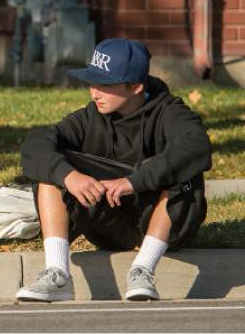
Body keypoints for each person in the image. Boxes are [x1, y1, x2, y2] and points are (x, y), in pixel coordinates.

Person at [16, 39, 212, 302]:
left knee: (186, 173)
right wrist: (70, 176)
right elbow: (36, 143)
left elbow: (197, 146)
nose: (94, 92)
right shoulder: (90, 117)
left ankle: (143, 270)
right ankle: (58, 274)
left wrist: (134, 181)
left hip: (162, 222)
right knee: (53, 170)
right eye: (91, 82)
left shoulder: (169, 112)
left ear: (135, 87)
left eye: (105, 85)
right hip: (109, 224)